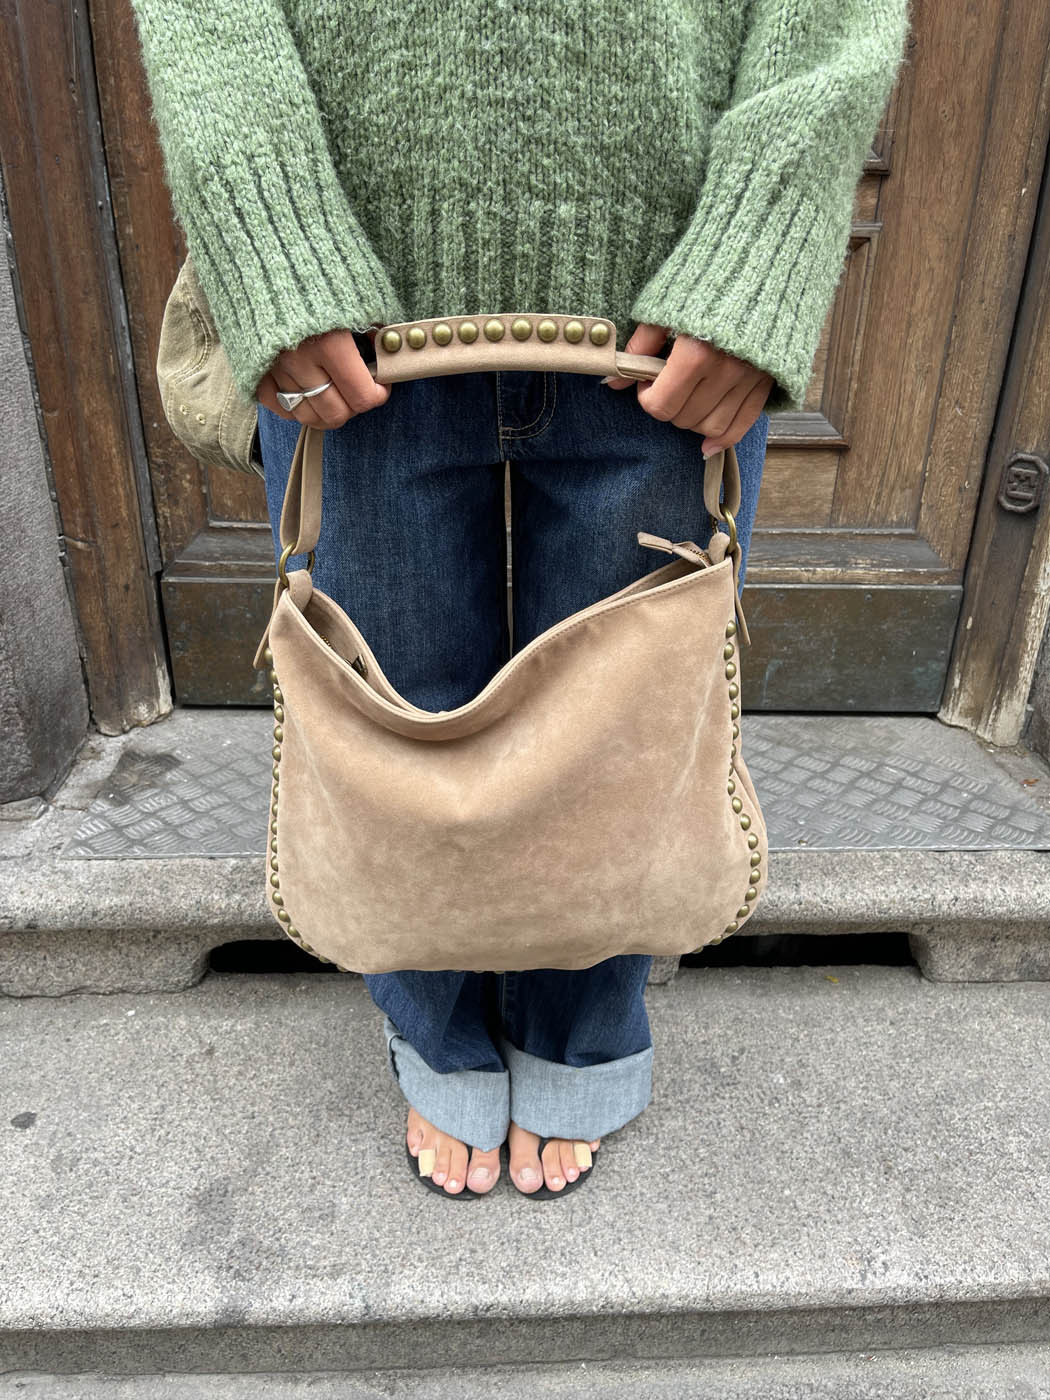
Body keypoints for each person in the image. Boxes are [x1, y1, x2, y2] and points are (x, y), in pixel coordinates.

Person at [131, 0, 912, 1198]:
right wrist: (268, 222)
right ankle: (433, 1021)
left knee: (625, 736)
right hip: (356, 306)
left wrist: (763, 234)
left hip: (665, 309)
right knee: (387, 721)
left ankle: (581, 1025)